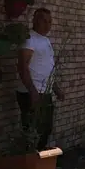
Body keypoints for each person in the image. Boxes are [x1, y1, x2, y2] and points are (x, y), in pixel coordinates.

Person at [17, 8, 63, 149]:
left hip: (45, 92)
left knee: (45, 129)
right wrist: (32, 91)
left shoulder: (45, 40)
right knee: (32, 130)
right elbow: (22, 66)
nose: (48, 25)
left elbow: (47, 67)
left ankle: (40, 163)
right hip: (32, 92)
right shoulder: (30, 39)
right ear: (35, 20)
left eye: (50, 22)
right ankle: (30, 163)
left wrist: (56, 89)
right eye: (44, 21)